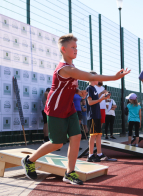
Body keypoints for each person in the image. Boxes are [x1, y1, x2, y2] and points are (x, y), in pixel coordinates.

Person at [21, 33, 130, 185]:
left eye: (76, 47)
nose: (76, 50)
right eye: (73, 47)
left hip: (69, 108)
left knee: (76, 137)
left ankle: (69, 172)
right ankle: (29, 160)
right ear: (63, 50)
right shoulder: (65, 68)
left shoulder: (71, 67)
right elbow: (90, 77)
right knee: (57, 143)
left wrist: (78, 92)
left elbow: (69, 85)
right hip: (56, 109)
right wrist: (114, 77)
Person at [86, 72, 111, 162]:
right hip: (92, 115)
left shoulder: (94, 89)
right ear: (92, 78)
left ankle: (99, 154)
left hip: (97, 114)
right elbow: (90, 102)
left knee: (99, 135)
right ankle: (90, 155)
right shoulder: (89, 88)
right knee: (93, 136)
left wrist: (104, 97)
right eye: (97, 77)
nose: (99, 79)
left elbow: (97, 101)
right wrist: (101, 99)